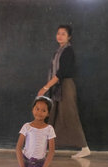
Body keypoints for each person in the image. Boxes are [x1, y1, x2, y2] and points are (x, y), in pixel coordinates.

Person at [37, 25, 90, 158]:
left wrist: (45, 88)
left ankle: (84, 147)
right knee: (53, 116)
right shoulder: (59, 51)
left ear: (69, 37)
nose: (60, 36)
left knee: (70, 115)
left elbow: (61, 73)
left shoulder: (68, 51)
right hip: (58, 87)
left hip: (66, 87)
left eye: (63, 34)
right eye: (58, 33)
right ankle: (46, 148)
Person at [14, 96, 56, 167]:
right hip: (26, 163)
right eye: (37, 109)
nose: (39, 112)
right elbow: (18, 148)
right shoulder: (27, 126)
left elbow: (51, 151)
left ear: (48, 113)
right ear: (33, 109)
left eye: (43, 110)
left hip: (40, 164)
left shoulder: (49, 129)